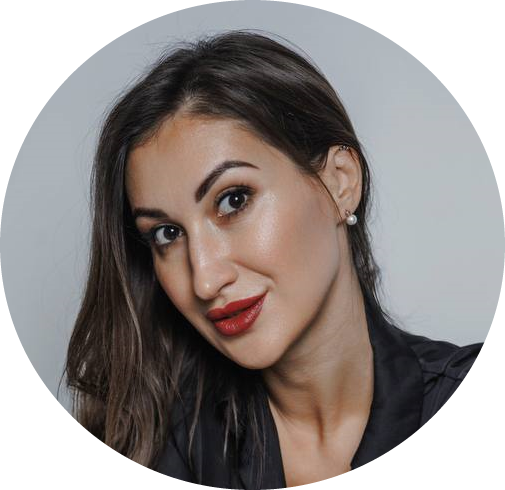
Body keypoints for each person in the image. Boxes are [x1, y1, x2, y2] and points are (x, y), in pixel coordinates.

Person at [64, 30, 483, 489]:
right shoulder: (153, 444)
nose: (204, 279)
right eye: (167, 234)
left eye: (233, 200)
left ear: (341, 182)